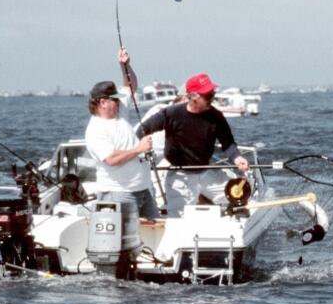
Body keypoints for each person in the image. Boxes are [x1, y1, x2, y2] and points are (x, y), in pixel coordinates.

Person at [139, 71, 250, 217]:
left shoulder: (216, 116)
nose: (212, 97)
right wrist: (140, 147)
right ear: (192, 96)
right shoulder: (171, 113)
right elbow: (142, 129)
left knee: (240, 197)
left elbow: (228, 143)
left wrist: (237, 158)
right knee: (177, 219)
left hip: (206, 171)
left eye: (212, 93)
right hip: (180, 175)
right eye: (207, 95)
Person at [83, 48, 160, 220]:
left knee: (155, 230)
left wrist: (125, 66)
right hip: (118, 194)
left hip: (142, 189)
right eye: (114, 99)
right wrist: (139, 149)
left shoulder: (119, 111)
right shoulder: (95, 129)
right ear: (102, 102)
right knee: (123, 239)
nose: (119, 102)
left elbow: (130, 86)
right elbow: (111, 159)